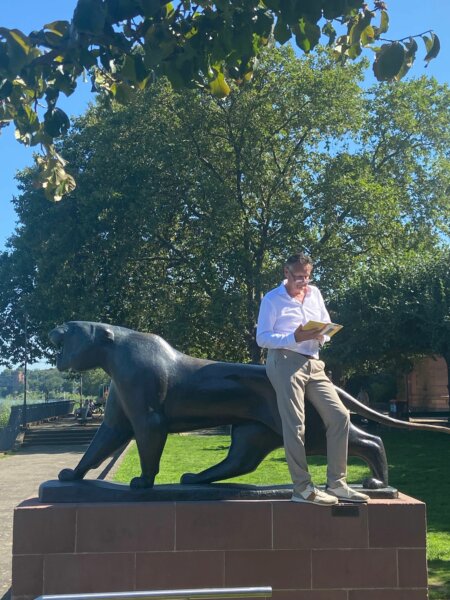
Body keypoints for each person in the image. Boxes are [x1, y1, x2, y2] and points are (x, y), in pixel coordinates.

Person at [256, 252, 369, 505]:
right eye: (298, 277)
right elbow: (262, 338)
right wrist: (292, 338)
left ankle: (337, 484)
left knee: (340, 416)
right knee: (296, 425)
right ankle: (302, 489)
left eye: (306, 277)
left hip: (314, 362)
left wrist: (323, 335)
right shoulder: (272, 300)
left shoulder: (314, 293)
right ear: (286, 273)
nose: (303, 282)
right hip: (284, 361)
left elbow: (326, 323)